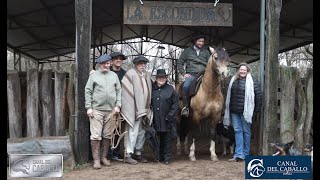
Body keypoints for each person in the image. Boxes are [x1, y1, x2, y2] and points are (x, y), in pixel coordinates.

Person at [85, 54, 122, 169]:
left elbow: (119, 91)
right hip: (97, 110)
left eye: (108, 63)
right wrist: (89, 107)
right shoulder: (93, 76)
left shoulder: (114, 75)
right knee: (96, 136)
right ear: (100, 64)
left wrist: (118, 105)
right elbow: (88, 91)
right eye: (104, 63)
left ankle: (103, 157)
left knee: (107, 135)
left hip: (111, 111)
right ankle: (96, 160)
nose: (106, 65)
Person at [223, 62, 262, 162]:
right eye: (241, 69)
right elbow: (229, 95)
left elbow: (258, 94)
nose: (242, 71)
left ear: (247, 70)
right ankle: (238, 154)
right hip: (234, 111)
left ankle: (245, 154)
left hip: (246, 111)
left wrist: (257, 108)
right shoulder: (233, 80)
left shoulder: (252, 80)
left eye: (244, 69)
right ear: (238, 70)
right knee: (237, 131)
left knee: (246, 131)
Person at [121, 55, 153, 165]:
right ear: (135, 64)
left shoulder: (147, 75)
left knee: (142, 131)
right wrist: (132, 108)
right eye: (140, 63)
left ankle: (138, 153)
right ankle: (128, 154)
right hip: (134, 109)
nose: (142, 65)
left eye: (144, 64)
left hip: (145, 109)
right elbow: (126, 92)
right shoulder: (130, 74)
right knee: (132, 131)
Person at [177, 34, 211, 117]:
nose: (201, 43)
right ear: (195, 41)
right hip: (191, 74)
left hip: (204, 73)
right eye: (199, 41)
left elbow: (210, 63)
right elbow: (180, 62)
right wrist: (184, 74)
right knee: (185, 86)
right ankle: (186, 107)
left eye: (203, 41)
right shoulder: (187, 51)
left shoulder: (206, 52)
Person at [151, 69, 179, 164]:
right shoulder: (151, 88)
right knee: (156, 139)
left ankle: (167, 158)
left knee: (167, 139)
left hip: (167, 119)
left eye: (163, 77)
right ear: (156, 78)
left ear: (166, 78)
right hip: (155, 119)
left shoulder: (171, 89)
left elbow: (175, 104)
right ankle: (159, 157)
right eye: (159, 77)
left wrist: (170, 116)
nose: (161, 79)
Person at [106, 52, 127, 162]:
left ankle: (116, 153)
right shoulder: (106, 71)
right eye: (116, 59)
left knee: (119, 129)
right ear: (112, 60)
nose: (118, 60)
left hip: (120, 105)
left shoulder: (125, 74)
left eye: (120, 59)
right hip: (108, 105)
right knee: (108, 130)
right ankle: (107, 154)